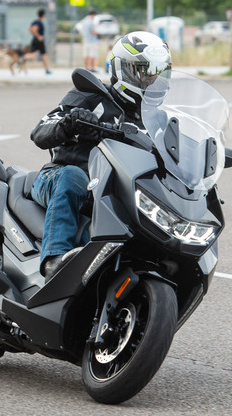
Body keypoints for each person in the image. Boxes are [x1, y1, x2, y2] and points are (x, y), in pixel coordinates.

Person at [30, 31, 172, 281]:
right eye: (143, 72)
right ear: (122, 69)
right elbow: (40, 132)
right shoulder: (92, 95)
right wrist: (69, 123)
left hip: (109, 192)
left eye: (158, 73)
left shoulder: (157, 119)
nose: (151, 80)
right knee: (73, 177)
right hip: (59, 177)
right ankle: (54, 260)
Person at [24, 8, 52, 75]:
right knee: (43, 55)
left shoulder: (35, 21)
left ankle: (23, 58)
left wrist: (34, 34)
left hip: (35, 40)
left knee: (34, 55)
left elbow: (29, 28)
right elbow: (34, 29)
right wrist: (38, 36)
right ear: (43, 15)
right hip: (39, 41)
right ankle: (47, 70)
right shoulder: (39, 22)